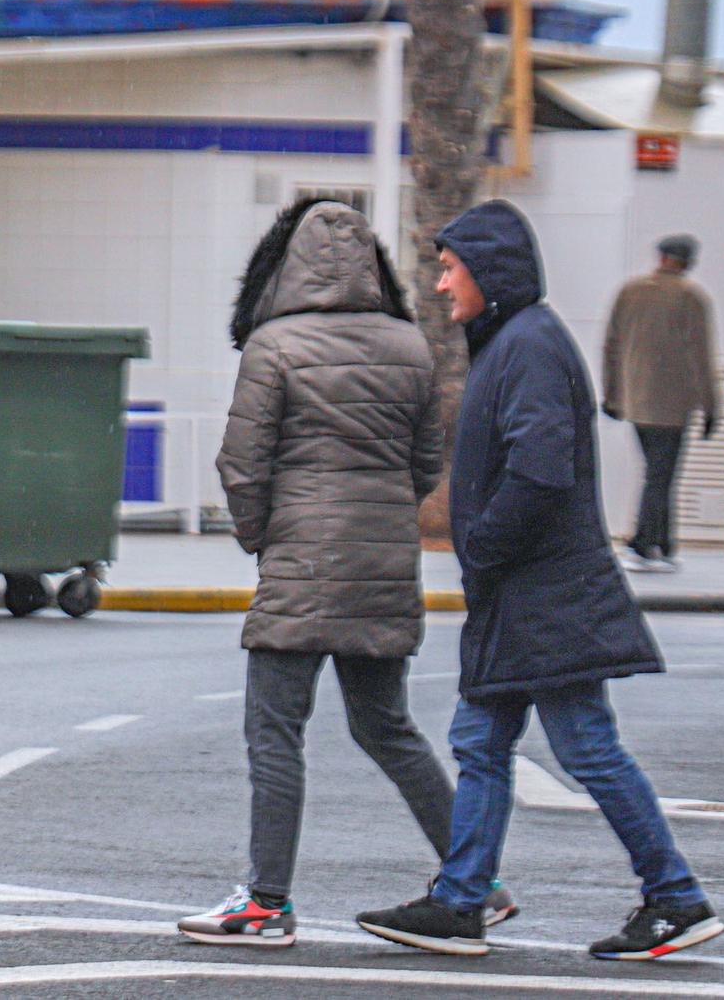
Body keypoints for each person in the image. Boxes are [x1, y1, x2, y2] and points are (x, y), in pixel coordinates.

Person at [357, 200, 723, 962]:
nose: (443, 285)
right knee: (480, 741)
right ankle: (461, 901)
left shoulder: (526, 345)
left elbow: (540, 466)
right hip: (523, 593)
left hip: (542, 592)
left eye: (453, 269)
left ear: (491, 272)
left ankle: (676, 896)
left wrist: (482, 545)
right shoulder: (512, 341)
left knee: (586, 746)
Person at [179, 200, 513, 948]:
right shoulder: (409, 344)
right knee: (388, 728)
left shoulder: (274, 344)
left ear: (287, 263)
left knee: (274, 732)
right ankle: (479, 880)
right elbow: (429, 460)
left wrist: (261, 536)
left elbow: (242, 462)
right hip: (384, 559)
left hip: (300, 559)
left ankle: (266, 902)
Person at [602, 234, 721, 574]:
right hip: (673, 405)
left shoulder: (630, 291)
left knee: (656, 472)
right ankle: (643, 543)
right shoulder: (691, 297)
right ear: (687, 262)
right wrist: (711, 407)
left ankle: (664, 542)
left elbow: (611, 346)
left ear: (660, 256)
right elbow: (701, 354)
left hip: (635, 401)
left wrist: (612, 395)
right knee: (661, 475)